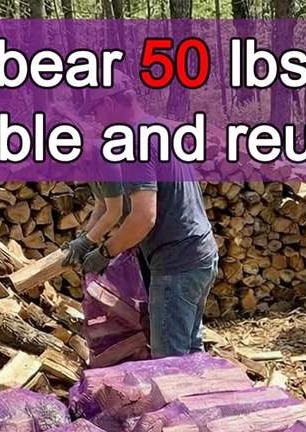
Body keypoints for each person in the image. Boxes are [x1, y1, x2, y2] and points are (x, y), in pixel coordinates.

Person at [79, 90, 218, 357]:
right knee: (191, 352)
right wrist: (90, 239)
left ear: (109, 103)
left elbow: (144, 217)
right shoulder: (158, 130)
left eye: (96, 111)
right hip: (199, 252)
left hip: (176, 263)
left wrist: (105, 252)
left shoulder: (134, 143)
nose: (97, 120)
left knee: (170, 362)